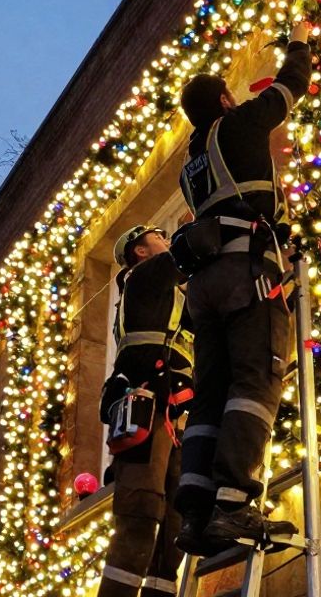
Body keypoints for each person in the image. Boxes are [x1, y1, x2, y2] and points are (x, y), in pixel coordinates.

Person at [173, 23, 312, 553]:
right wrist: (297, 41)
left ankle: (197, 509)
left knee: (211, 393)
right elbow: (288, 89)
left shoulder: (191, 165)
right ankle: (234, 505)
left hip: (204, 288)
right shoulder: (239, 125)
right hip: (245, 274)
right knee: (255, 382)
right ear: (226, 100)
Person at [97, 225, 195, 597]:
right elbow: (190, 251)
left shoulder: (162, 295)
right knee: (139, 516)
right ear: (140, 251)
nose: (166, 237)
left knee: (174, 523)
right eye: (158, 235)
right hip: (150, 408)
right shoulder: (146, 275)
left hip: (173, 413)